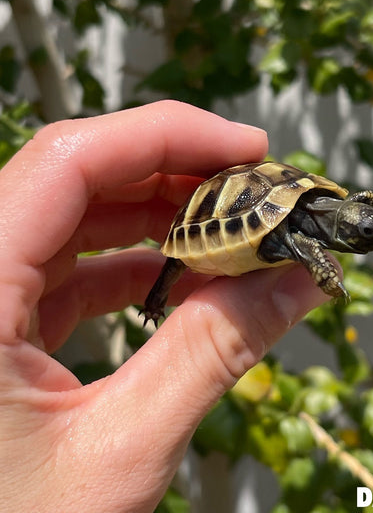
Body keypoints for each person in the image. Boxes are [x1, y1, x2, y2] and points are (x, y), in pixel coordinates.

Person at [0, 101, 330, 512]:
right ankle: (155, 302)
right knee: (175, 264)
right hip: (222, 220)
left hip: (256, 216)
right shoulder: (299, 236)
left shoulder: (325, 213)